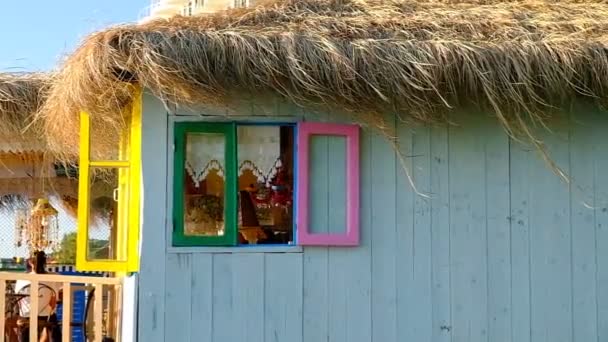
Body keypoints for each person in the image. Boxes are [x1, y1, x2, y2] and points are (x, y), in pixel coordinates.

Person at [14, 251, 62, 342]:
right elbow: (56, 296)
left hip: (27, 315)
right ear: (45, 262)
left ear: (29, 262)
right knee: (52, 317)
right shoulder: (54, 277)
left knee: (21, 319)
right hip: (46, 316)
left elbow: (18, 299)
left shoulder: (21, 279)